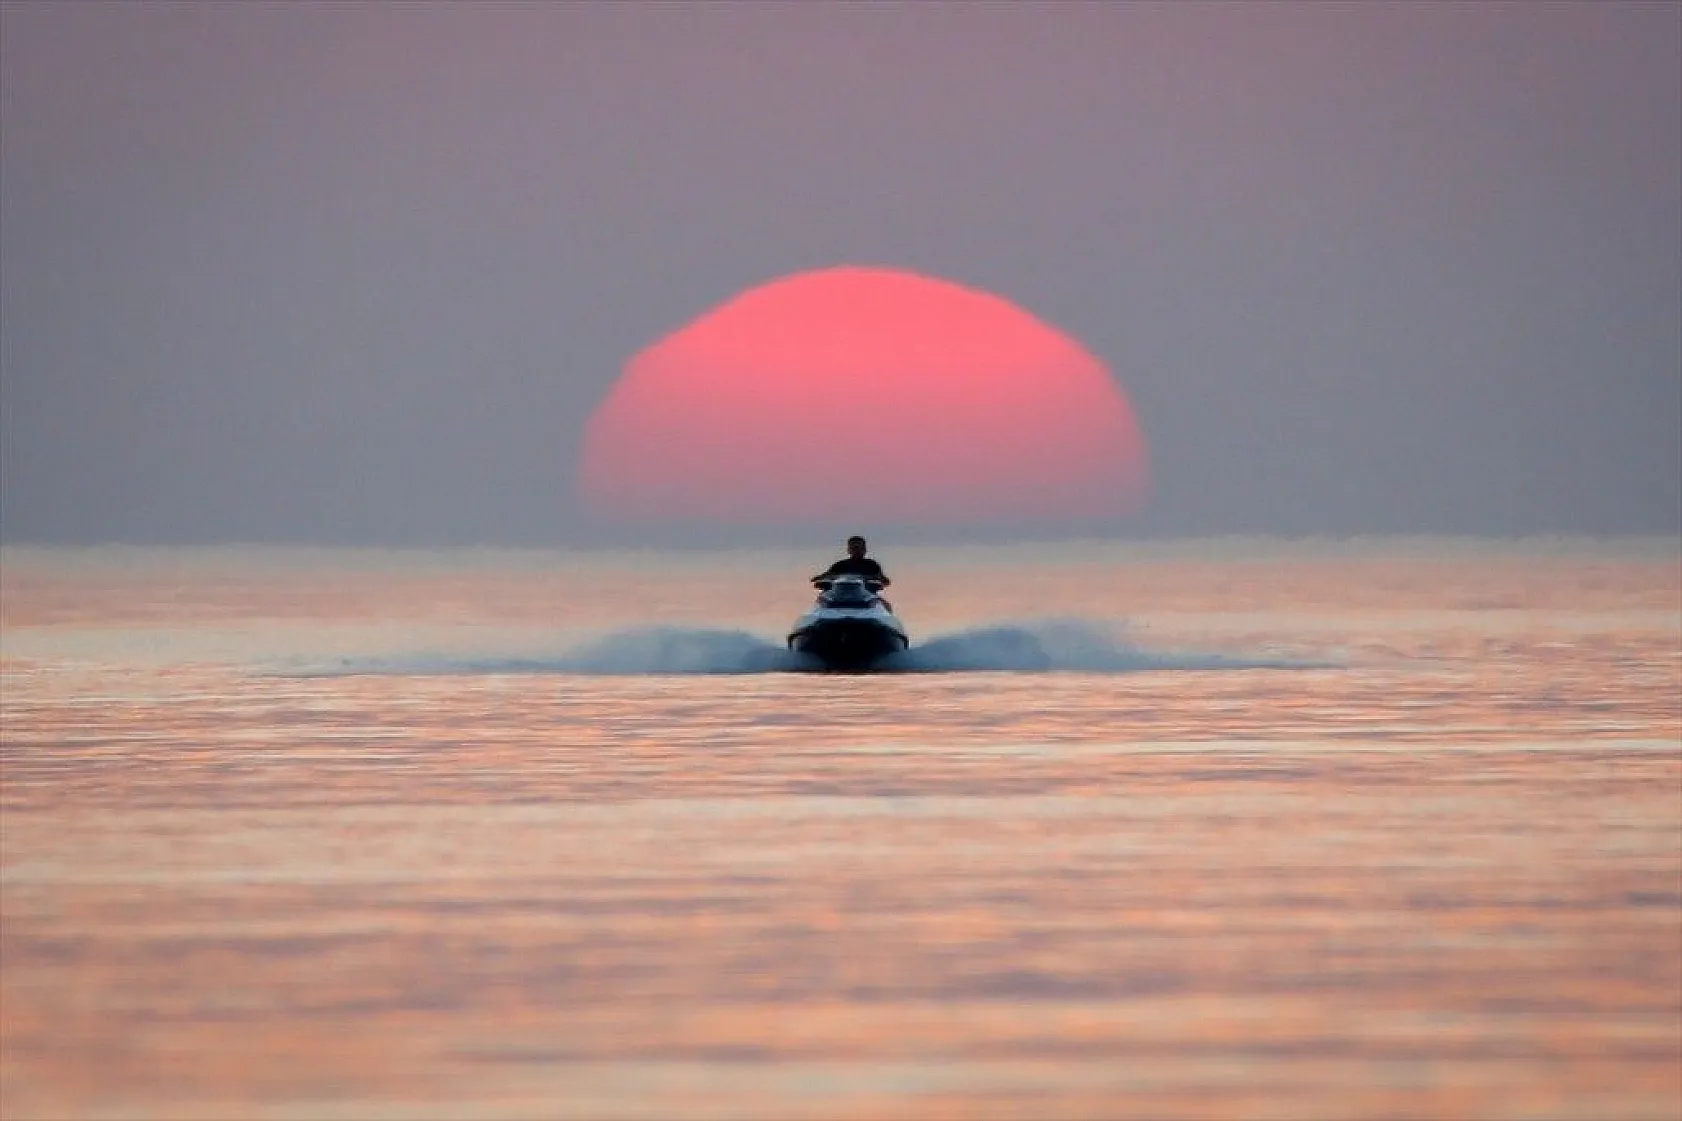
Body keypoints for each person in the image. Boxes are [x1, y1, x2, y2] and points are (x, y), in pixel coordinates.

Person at [812, 535, 890, 586]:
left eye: (860, 548)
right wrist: (818, 579)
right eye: (854, 548)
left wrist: (877, 580)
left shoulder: (872, 565)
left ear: (865, 550)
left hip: (866, 599)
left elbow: (885, 581)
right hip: (839, 599)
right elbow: (827, 576)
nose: (857, 551)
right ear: (849, 550)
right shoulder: (840, 565)